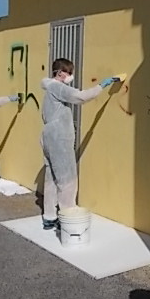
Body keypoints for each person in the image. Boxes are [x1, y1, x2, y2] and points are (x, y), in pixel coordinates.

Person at [40, 58, 116, 229]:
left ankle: (49, 216)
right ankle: (68, 217)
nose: (70, 76)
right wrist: (102, 86)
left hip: (48, 136)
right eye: (69, 72)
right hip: (59, 138)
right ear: (60, 73)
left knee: (51, 177)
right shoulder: (57, 87)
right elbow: (81, 97)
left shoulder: (49, 89)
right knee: (67, 177)